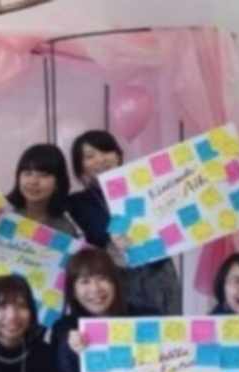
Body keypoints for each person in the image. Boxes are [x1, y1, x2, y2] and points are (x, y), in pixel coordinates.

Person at [66, 130, 180, 314]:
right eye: (90, 156)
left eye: (106, 151)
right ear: (80, 167)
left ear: (118, 156)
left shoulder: (147, 186)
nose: (100, 159)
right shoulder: (76, 203)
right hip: (112, 282)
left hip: (157, 272)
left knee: (167, 328)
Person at [5, 143, 79, 236]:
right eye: (28, 173)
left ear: (58, 182)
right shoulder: (2, 213)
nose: (33, 181)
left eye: (43, 175)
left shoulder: (64, 229)